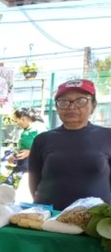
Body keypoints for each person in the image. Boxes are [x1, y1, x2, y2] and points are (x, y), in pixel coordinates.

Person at [29, 79, 111, 210]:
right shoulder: (42, 139)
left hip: (95, 221)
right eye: (63, 102)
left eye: (81, 101)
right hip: (49, 218)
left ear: (93, 106)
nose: (71, 107)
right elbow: (34, 181)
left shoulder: (107, 136)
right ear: (56, 107)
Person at [9, 107, 48, 202]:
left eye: (17, 120)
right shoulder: (26, 130)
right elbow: (23, 146)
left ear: (23, 118)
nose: (18, 123)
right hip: (24, 163)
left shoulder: (39, 128)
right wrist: (14, 155)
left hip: (33, 164)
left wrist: (30, 152)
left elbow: (46, 147)